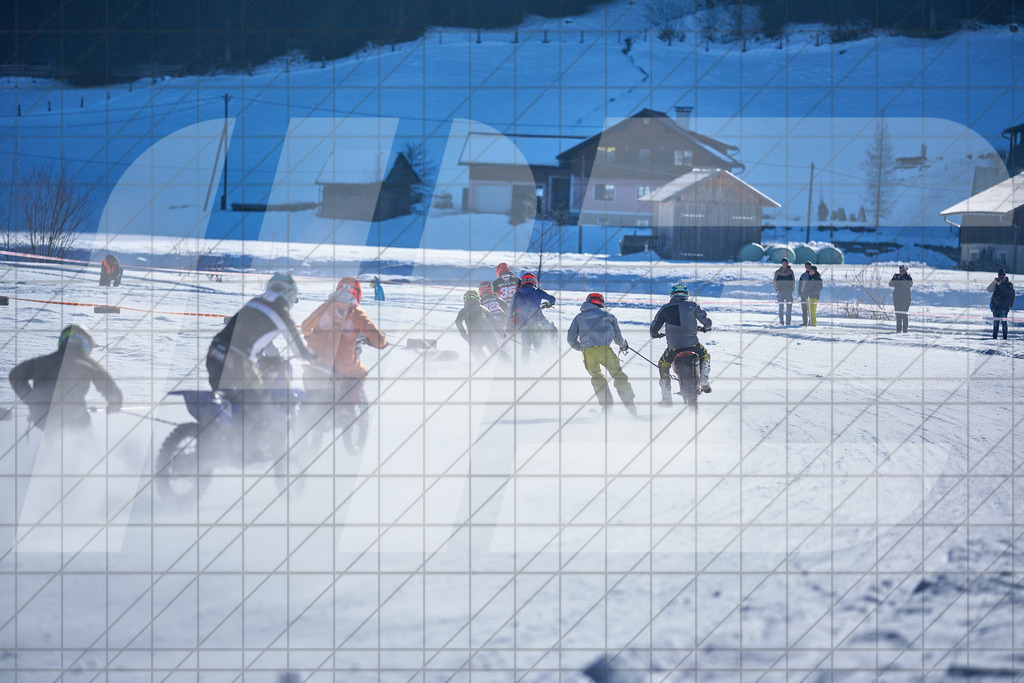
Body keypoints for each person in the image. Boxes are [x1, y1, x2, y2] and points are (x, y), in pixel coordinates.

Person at [206, 273, 316, 401]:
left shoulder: (254, 302)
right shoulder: (282, 314)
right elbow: (300, 351)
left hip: (214, 353)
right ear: (289, 295)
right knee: (262, 400)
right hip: (237, 360)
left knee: (231, 401)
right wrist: (312, 355)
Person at [9, 324, 123, 430]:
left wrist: (32, 400)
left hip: (43, 421)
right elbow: (113, 392)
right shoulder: (86, 363)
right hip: (76, 422)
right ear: (85, 343)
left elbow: (15, 375)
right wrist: (114, 405)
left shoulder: (41, 361)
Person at [300, 277, 388, 401]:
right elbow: (378, 340)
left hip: (316, 361)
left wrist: (311, 334)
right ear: (357, 294)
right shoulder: (356, 312)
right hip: (341, 362)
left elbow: (305, 327)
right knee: (360, 373)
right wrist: (382, 341)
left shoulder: (325, 306)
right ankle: (348, 411)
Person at [566, 292, 636, 415]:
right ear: (601, 302)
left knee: (597, 377)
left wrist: (583, 348)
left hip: (589, 353)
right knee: (618, 376)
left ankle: (607, 407)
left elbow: (570, 339)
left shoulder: (579, 317)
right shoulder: (609, 315)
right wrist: (624, 345)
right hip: (605, 350)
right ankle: (629, 404)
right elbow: (618, 339)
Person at [649, 284, 712, 406]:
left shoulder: (665, 308)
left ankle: (666, 399)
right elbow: (707, 322)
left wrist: (656, 334)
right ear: (686, 295)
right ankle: (703, 378)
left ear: (672, 295)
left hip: (674, 348)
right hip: (693, 345)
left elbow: (653, 329)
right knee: (705, 355)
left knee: (663, 365)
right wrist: (706, 328)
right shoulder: (692, 305)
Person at [506, 272, 556, 361]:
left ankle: (525, 368)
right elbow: (552, 299)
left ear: (523, 282)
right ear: (534, 281)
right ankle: (554, 344)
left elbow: (509, 312)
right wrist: (549, 304)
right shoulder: (538, 291)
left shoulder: (516, 295)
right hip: (540, 321)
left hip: (525, 325)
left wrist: (512, 315)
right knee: (551, 325)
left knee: (525, 348)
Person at [456, 290, 509, 360]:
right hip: (488, 335)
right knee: (495, 351)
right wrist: (501, 332)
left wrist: (464, 335)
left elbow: (458, 322)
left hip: (475, 337)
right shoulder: (484, 308)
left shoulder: (463, 311)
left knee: (475, 349)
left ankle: (484, 365)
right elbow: (493, 322)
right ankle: (509, 363)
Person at [987, 268, 1015, 340]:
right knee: (996, 323)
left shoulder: (1009, 284)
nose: (1001, 279)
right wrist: (994, 282)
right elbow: (989, 290)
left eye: (1002, 277)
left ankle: (1005, 338)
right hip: (996, 307)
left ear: (1005, 276)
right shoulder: (997, 284)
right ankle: (994, 338)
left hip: (1004, 308)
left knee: (1004, 323)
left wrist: (1000, 284)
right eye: (1000, 277)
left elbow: (1008, 291)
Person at [889, 265, 913, 333]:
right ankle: (898, 330)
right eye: (900, 271)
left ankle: (905, 331)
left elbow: (909, 285)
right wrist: (894, 278)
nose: (901, 272)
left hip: (905, 299)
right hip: (897, 299)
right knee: (898, 315)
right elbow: (890, 284)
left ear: (905, 271)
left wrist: (902, 279)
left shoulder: (908, 277)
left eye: (902, 271)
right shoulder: (898, 277)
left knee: (904, 315)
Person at [773, 258, 796, 325]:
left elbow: (793, 281)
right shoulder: (777, 272)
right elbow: (774, 282)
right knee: (781, 308)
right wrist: (776, 290)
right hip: (780, 292)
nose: (784, 264)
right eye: (783, 263)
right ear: (781, 264)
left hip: (789, 291)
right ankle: (781, 321)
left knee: (789, 307)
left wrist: (792, 289)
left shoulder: (791, 271)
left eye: (786, 263)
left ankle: (788, 322)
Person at [797, 261, 813, 325]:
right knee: (804, 309)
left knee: (810, 309)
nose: (807, 267)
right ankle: (804, 322)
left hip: (811, 295)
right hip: (803, 294)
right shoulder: (803, 275)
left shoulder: (813, 275)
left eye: (809, 266)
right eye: (806, 266)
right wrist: (799, 292)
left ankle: (810, 322)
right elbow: (800, 284)